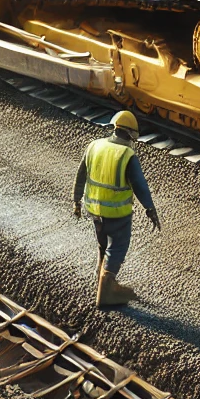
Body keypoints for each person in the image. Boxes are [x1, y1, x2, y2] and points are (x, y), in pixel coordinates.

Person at [72, 110, 159, 307]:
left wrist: (76, 201)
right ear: (131, 135)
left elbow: (80, 175)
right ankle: (106, 292)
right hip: (117, 213)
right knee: (117, 247)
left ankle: (100, 280)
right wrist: (150, 209)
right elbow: (139, 185)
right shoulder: (126, 154)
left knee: (102, 246)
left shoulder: (94, 146)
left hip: (93, 210)